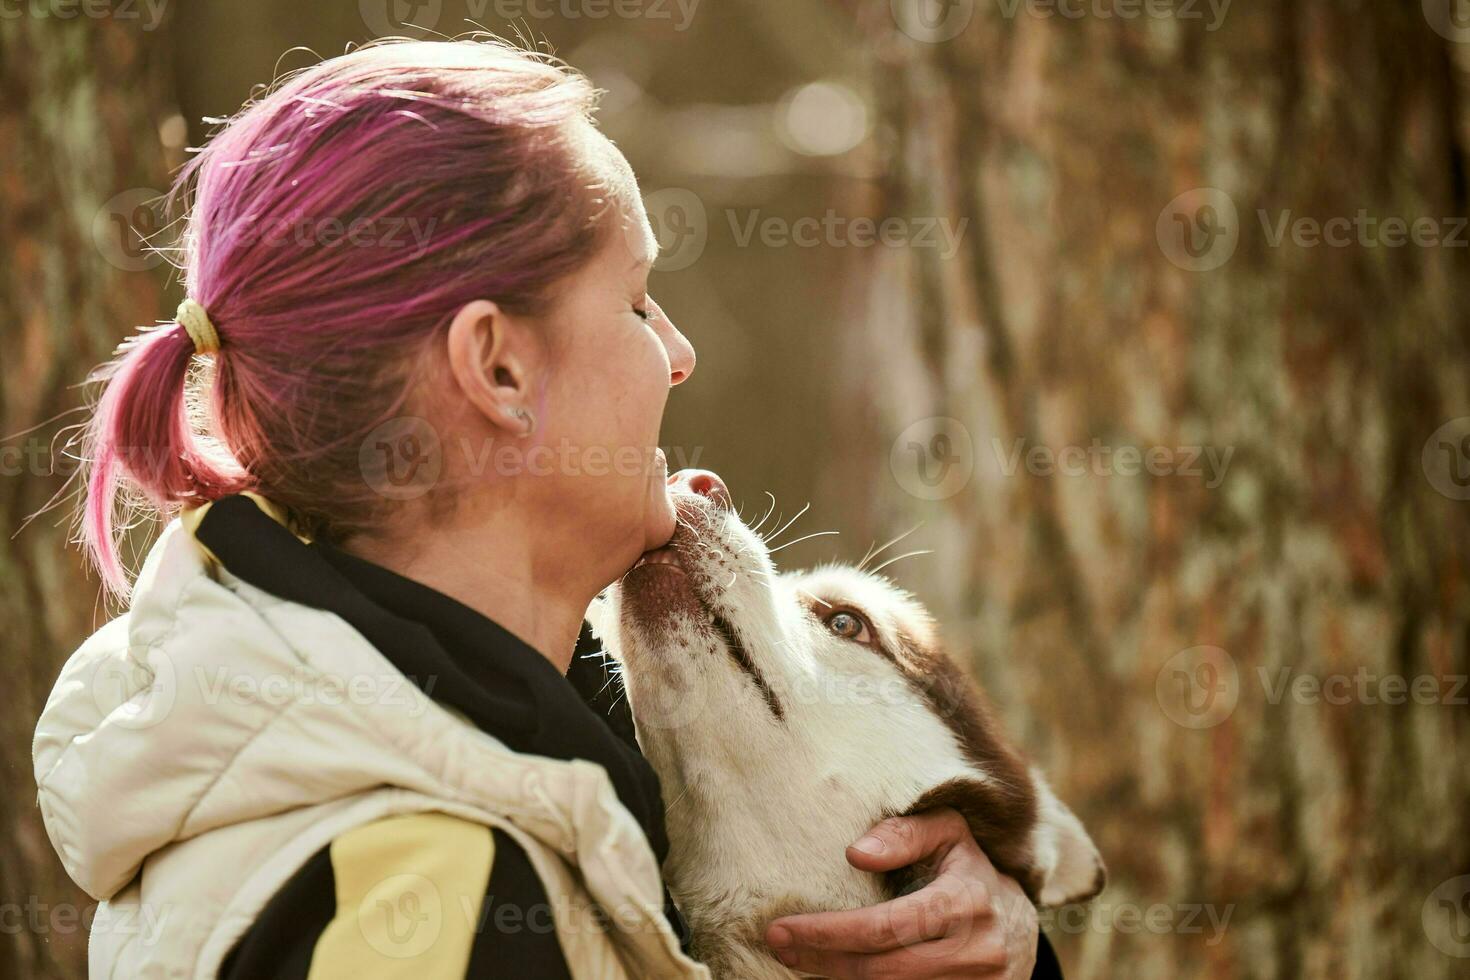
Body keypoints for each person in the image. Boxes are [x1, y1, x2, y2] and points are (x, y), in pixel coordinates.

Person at [33, 37, 1059, 978]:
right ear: (499, 365)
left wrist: (997, 945)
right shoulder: (439, 908)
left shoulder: (500, 730)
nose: (679, 352)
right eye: (637, 300)